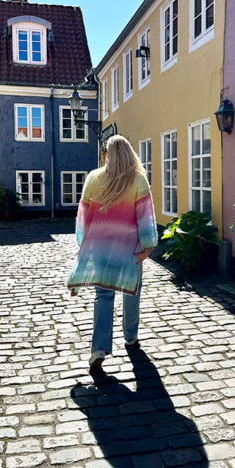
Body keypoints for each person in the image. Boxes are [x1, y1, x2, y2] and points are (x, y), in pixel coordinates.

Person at [66, 135, 158, 370]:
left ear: (108, 154)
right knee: (131, 293)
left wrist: (83, 242)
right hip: (130, 249)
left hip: (100, 249)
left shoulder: (93, 178)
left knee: (103, 296)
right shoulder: (138, 180)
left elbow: (84, 216)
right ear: (129, 153)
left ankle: (98, 348)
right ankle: (130, 337)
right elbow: (145, 218)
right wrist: (148, 245)